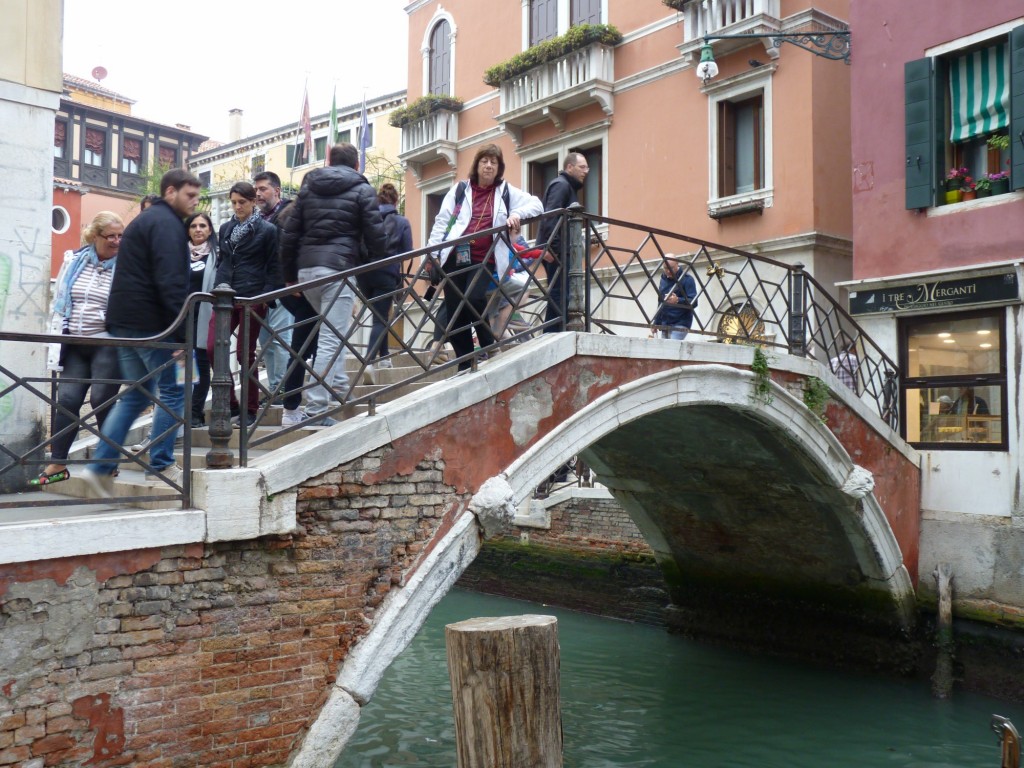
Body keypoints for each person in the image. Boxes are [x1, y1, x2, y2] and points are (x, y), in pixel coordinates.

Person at [81, 169, 201, 497]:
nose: (195, 202)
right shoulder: (167, 226)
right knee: (178, 387)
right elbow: (170, 281)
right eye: (190, 195)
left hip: (125, 322)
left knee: (136, 393)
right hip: (155, 327)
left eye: (197, 195)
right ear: (171, 191)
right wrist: (181, 335)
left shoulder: (143, 222)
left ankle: (101, 467)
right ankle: (161, 464)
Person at [279, 142, 388, 425]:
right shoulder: (362, 189)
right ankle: (317, 410)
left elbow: (290, 232)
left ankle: (339, 388)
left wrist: (290, 274)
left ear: (329, 161)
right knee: (330, 339)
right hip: (337, 270)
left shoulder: (308, 188)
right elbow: (376, 234)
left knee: (331, 334)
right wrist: (376, 261)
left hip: (307, 271)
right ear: (356, 165)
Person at [425, 143, 542, 370]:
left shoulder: (506, 191)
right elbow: (442, 221)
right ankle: (465, 363)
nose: (488, 166)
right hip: (454, 257)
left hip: (484, 258)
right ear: (477, 164)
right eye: (484, 161)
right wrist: (433, 254)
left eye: (494, 162)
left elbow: (536, 204)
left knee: (475, 298)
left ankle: (488, 343)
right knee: (455, 309)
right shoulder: (461, 189)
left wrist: (517, 213)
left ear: (499, 168)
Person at [31, 212, 124, 487]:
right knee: (68, 400)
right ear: (95, 236)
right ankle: (58, 463)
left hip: (108, 343)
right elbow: (60, 296)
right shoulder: (74, 261)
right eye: (111, 236)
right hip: (75, 343)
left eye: (121, 236)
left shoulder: (127, 267)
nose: (117, 241)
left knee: (101, 400)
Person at [207, 181, 282, 427]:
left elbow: (273, 267)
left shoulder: (267, 230)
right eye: (234, 202)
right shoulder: (226, 228)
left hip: (252, 297)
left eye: (242, 202)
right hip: (225, 296)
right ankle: (229, 403)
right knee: (212, 348)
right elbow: (223, 262)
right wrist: (218, 289)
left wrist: (265, 297)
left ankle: (250, 408)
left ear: (252, 202)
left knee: (244, 354)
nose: (237, 207)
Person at [359, 182, 412, 373]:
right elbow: (407, 252)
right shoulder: (402, 222)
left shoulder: (367, 220)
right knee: (380, 319)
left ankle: (384, 358)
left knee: (378, 315)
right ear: (396, 201)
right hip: (386, 273)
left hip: (363, 274)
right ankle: (368, 361)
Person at [534, 151, 589, 333]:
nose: (586, 171)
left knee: (563, 294)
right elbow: (551, 217)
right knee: (559, 294)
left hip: (563, 250)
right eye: (582, 167)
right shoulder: (561, 185)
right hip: (557, 251)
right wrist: (552, 249)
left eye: (587, 167)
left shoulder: (567, 187)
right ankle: (551, 334)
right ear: (569, 167)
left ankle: (557, 331)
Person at [253, 171, 294, 400]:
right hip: (259, 291)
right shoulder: (256, 220)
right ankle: (276, 388)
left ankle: (283, 389)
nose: (258, 193)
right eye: (256, 189)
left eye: (263, 189)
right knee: (265, 343)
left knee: (280, 340)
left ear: (276, 191)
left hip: (281, 289)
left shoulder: (288, 214)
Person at [186, 212, 218, 427]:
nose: (198, 229)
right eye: (194, 226)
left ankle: (196, 413)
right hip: (181, 319)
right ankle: (182, 412)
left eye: (203, 225)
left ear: (210, 229)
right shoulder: (178, 254)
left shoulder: (217, 255)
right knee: (183, 367)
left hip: (205, 317)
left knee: (202, 366)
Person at [652, 257, 698, 340]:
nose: (668, 271)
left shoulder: (687, 279)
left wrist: (678, 300)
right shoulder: (663, 280)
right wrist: (656, 322)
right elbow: (660, 302)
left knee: (671, 349)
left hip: (681, 323)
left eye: (671, 268)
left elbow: (694, 302)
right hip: (665, 323)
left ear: (677, 264)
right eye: (666, 268)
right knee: (665, 351)